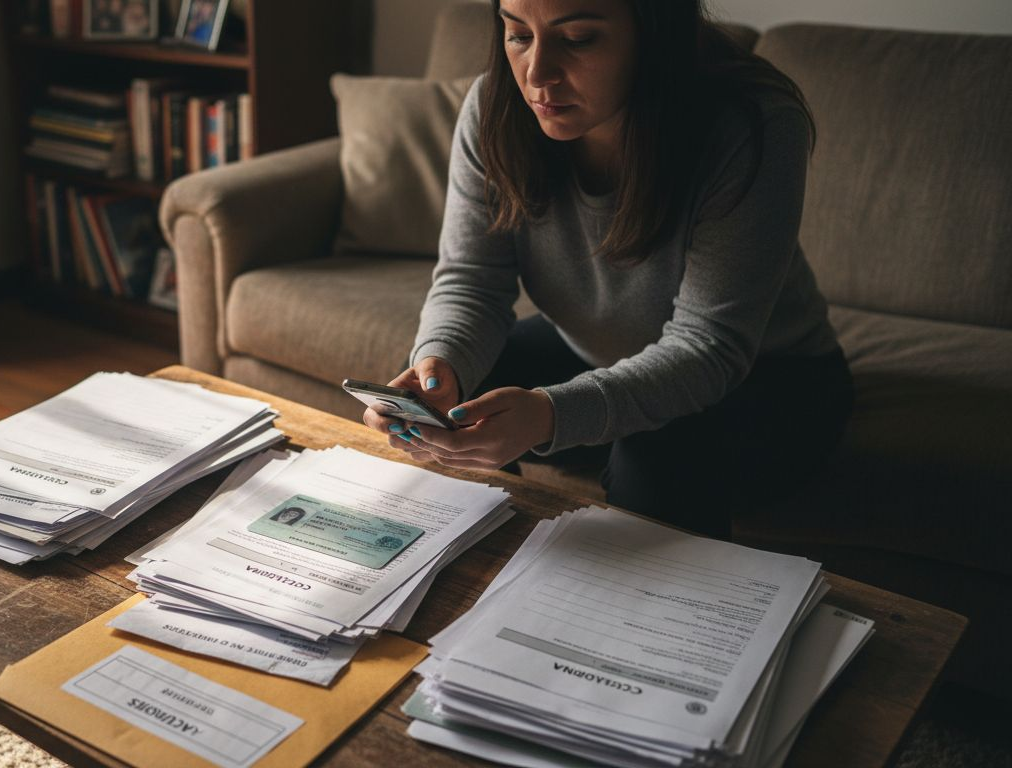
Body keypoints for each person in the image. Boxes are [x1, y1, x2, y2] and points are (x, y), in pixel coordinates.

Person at [363, 0, 853, 538]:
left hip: (772, 378)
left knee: (656, 450)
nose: (537, 75)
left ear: (653, 36)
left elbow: (708, 346)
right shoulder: (495, 106)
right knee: (455, 390)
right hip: (598, 351)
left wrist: (551, 414)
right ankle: (477, 569)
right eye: (518, 35)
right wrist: (439, 367)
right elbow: (472, 283)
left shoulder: (751, 123)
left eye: (577, 39)